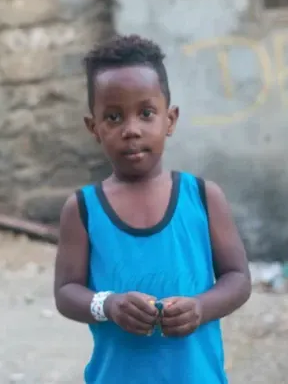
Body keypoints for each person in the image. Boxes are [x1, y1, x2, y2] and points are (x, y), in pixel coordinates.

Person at [53, 34, 251, 383]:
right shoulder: (83, 209)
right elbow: (67, 292)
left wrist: (201, 308)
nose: (131, 130)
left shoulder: (203, 197)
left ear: (170, 120)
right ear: (93, 127)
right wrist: (108, 305)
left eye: (146, 113)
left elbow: (238, 279)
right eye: (113, 117)